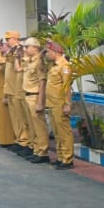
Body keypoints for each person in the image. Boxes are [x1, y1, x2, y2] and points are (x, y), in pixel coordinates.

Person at [43, 41, 75, 169]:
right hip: (52, 103)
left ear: (55, 52)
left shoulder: (64, 66)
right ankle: (61, 156)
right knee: (57, 132)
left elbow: (66, 87)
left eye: (49, 52)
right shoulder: (53, 65)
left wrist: (67, 104)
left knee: (64, 132)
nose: (47, 54)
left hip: (60, 104)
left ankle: (68, 159)